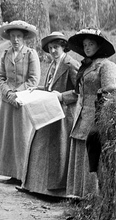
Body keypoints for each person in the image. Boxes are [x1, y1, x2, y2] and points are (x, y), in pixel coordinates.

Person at [60, 28, 116, 199]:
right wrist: (61, 97)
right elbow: (79, 93)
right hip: (81, 114)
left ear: (99, 46)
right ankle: (77, 192)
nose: (87, 47)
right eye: (85, 44)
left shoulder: (106, 65)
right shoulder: (86, 66)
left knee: (91, 153)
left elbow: (110, 91)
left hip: (96, 114)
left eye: (91, 44)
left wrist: (101, 117)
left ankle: (91, 195)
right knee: (80, 151)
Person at [21, 32, 80, 197]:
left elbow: (80, 92)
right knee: (38, 144)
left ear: (64, 47)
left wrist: (62, 96)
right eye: (50, 48)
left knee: (57, 151)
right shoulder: (54, 63)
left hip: (63, 114)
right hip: (49, 109)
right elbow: (50, 87)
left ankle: (54, 191)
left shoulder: (70, 64)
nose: (53, 51)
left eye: (56, 47)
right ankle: (34, 186)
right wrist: (38, 89)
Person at [0, 20, 41, 183]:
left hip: (23, 101)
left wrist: (17, 93)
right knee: (8, 136)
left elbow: (33, 79)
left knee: (22, 137)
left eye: (19, 36)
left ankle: (23, 175)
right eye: (13, 36)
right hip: (7, 101)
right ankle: (10, 172)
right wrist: (8, 92)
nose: (16, 39)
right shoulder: (6, 54)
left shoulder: (30, 54)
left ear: (24, 38)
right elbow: (0, 77)